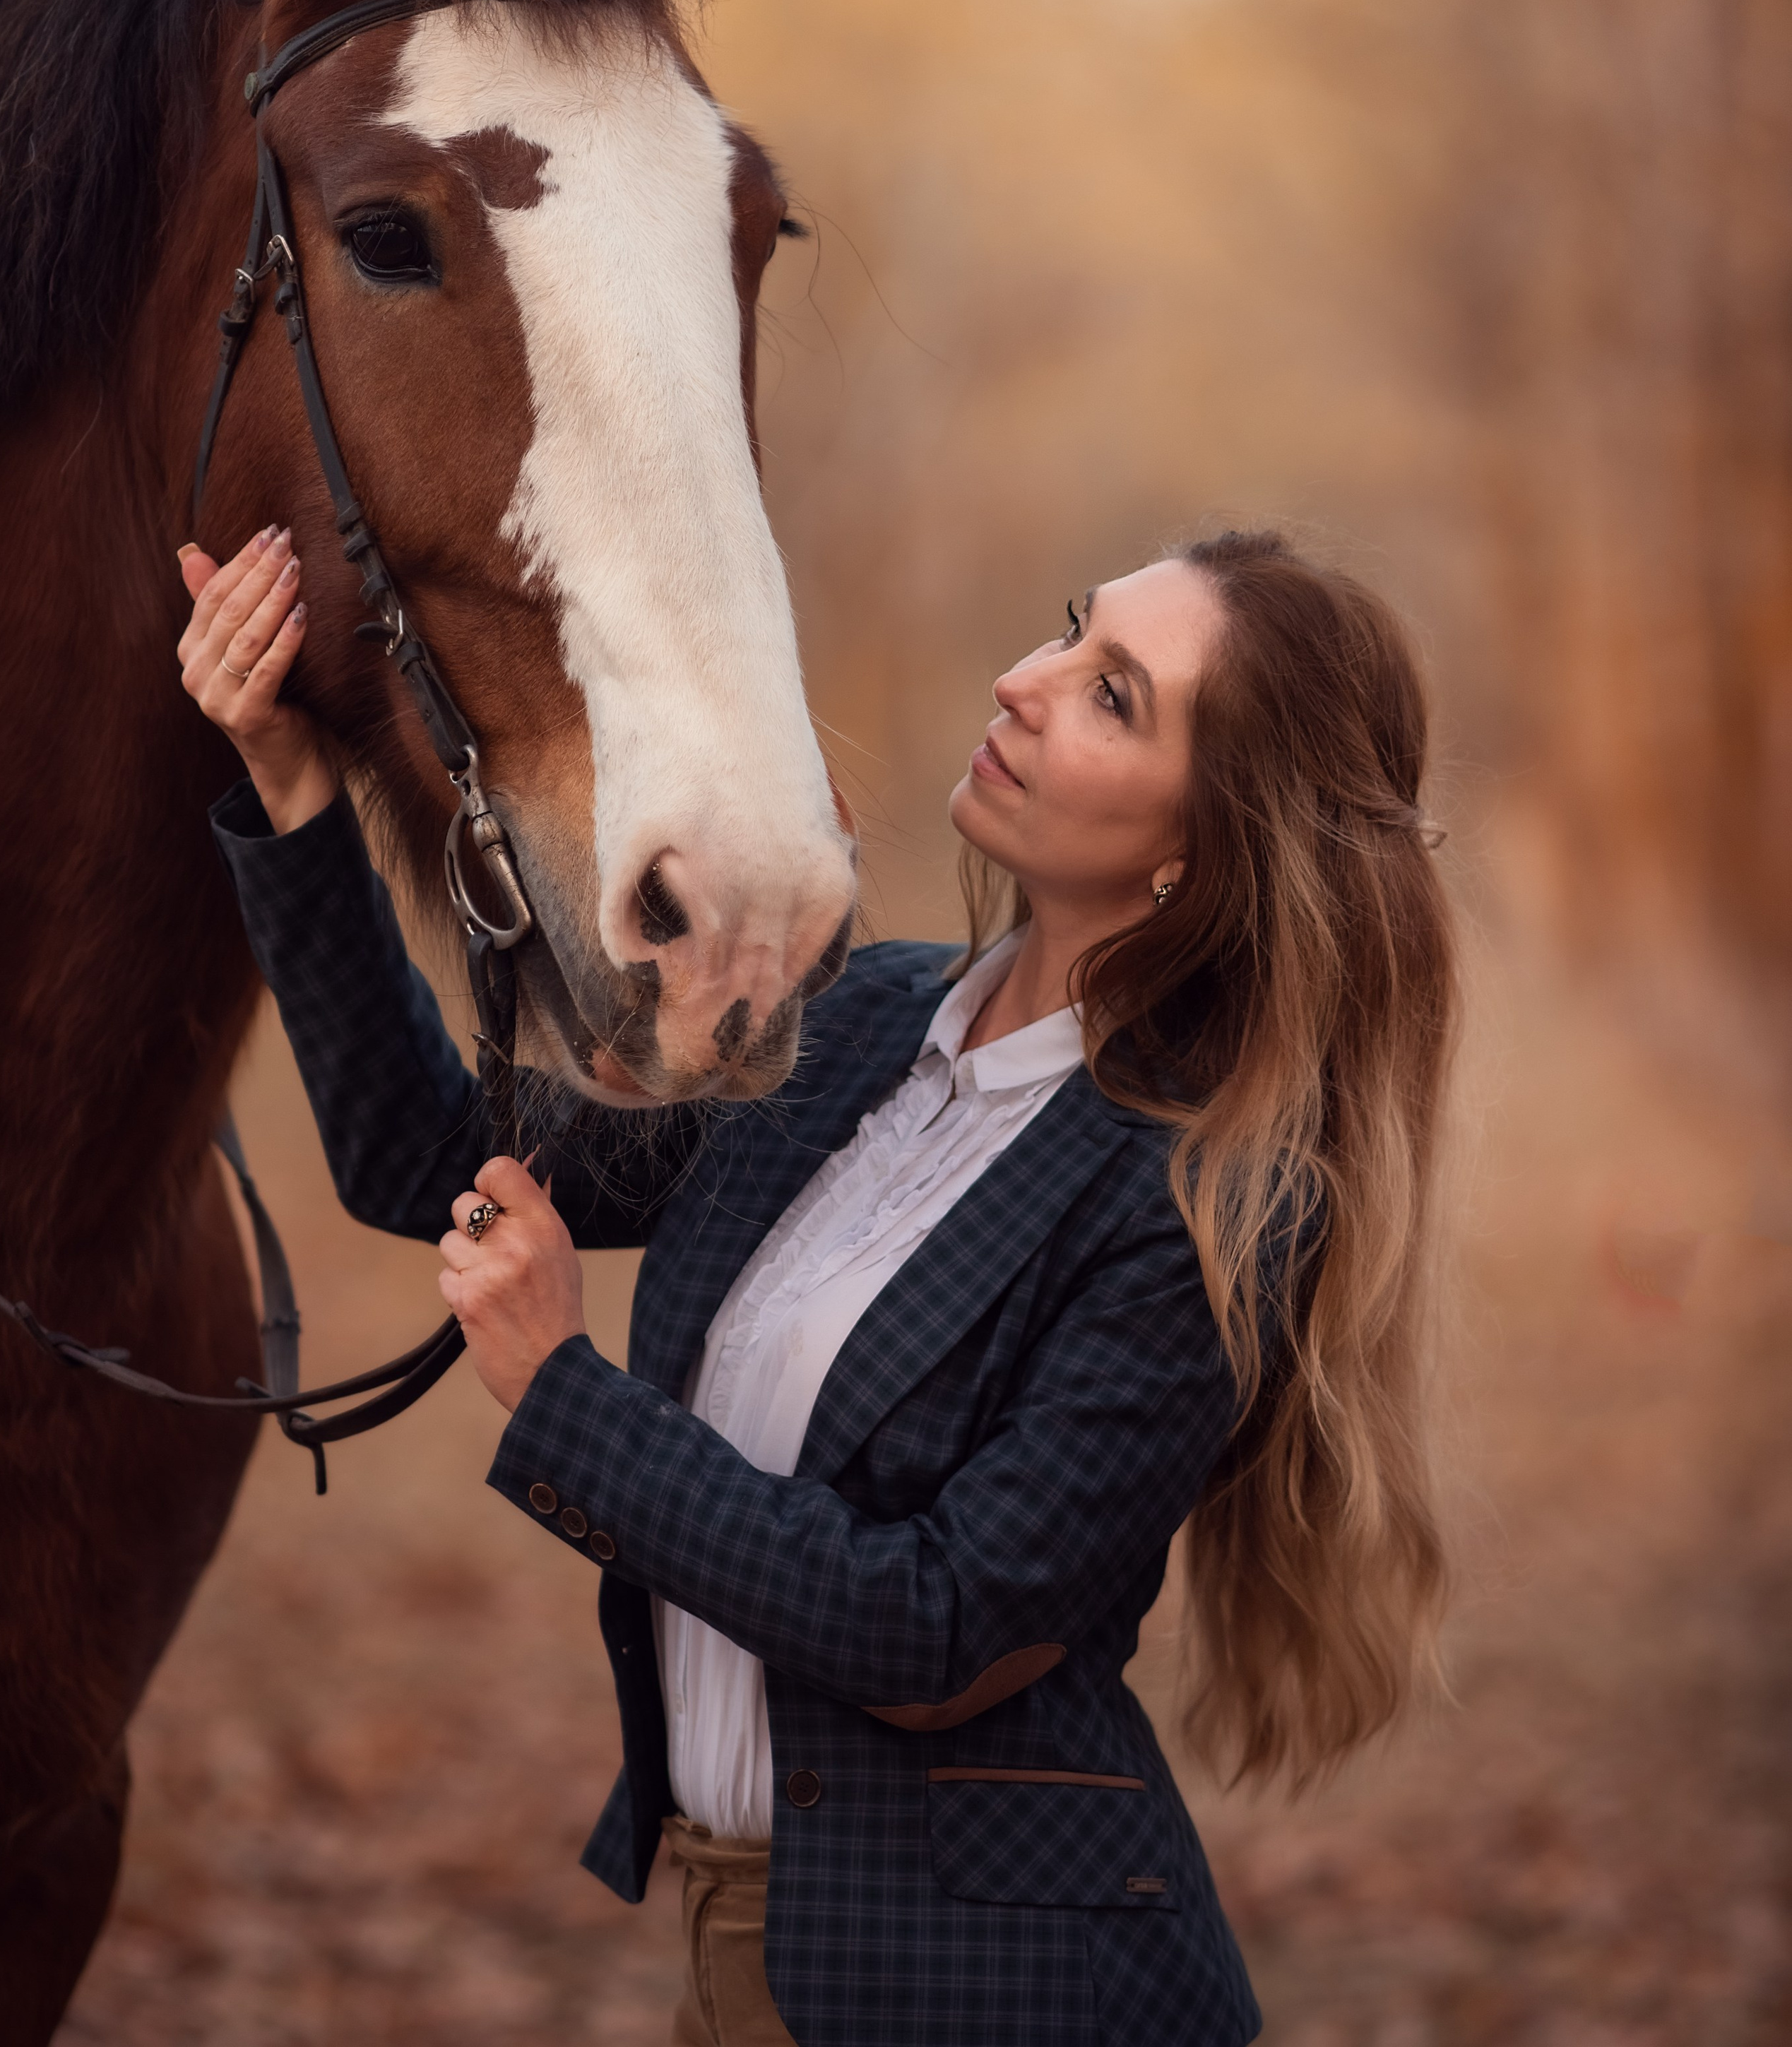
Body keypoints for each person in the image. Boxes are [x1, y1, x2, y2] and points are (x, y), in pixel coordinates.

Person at [177, 523, 1455, 2047]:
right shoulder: (854, 1025)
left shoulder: (1209, 1202)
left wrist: (564, 1396)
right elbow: (427, 1152)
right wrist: (294, 784)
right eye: (1067, 630)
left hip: (1001, 1991)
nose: (1023, 680)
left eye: (1112, 694)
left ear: (1200, 845)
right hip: (750, 1933)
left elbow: (938, 1628)